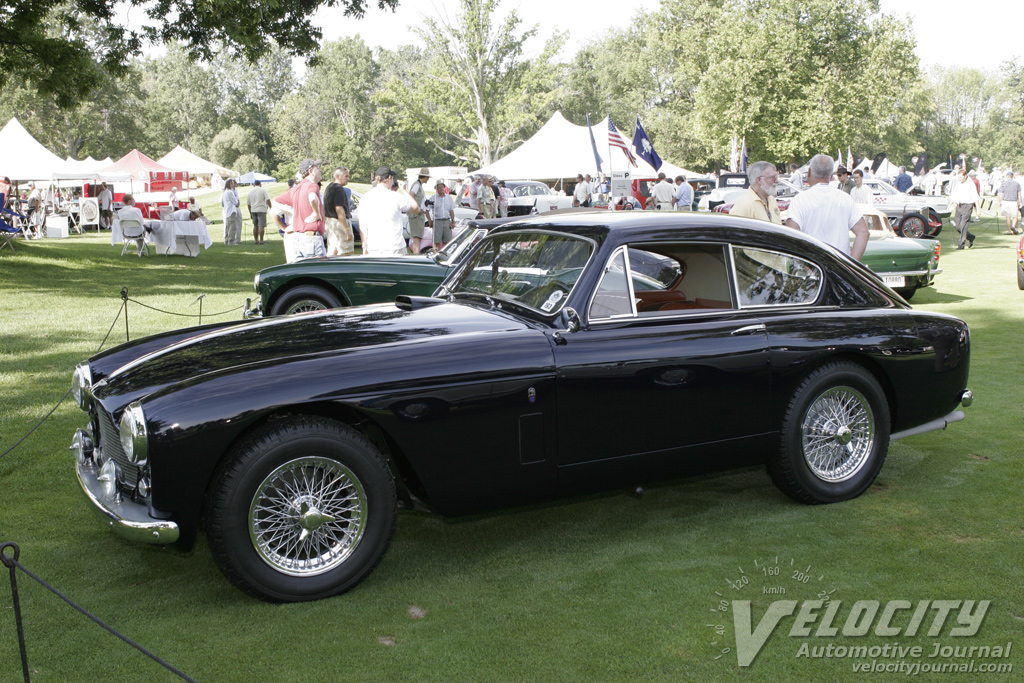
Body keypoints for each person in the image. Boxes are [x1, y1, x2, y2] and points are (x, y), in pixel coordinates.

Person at [785, 154, 869, 260]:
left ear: (810, 172)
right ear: (831, 175)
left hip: (812, 268)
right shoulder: (845, 199)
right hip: (839, 269)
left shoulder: (799, 200)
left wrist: (808, 268)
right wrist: (851, 266)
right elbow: (863, 232)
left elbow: (792, 238)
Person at [359, 166, 423, 256]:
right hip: (395, 246)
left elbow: (362, 225)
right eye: (392, 178)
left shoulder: (365, 198)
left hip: (374, 247)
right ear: (389, 178)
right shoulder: (396, 196)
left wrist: (364, 245)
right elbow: (416, 209)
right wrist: (404, 190)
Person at [275, 159, 326, 260]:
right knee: (316, 272)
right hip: (311, 240)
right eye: (317, 168)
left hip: (298, 239)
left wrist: (292, 211)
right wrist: (316, 213)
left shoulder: (296, 188)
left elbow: (275, 202)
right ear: (310, 171)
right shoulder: (312, 185)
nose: (320, 170)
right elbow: (312, 197)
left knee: (303, 272)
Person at [322, 167, 353, 256]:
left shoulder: (329, 187)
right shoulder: (338, 189)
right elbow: (339, 210)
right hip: (339, 224)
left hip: (330, 223)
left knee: (333, 252)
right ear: (338, 176)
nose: (348, 178)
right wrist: (346, 230)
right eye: (346, 176)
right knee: (345, 252)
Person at [948, 167, 979, 249]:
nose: (959, 178)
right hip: (959, 206)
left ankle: (961, 244)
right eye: (959, 177)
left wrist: (978, 210)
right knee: (958, 226)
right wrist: (951, 203)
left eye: (961, 177)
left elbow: (976, 197)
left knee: (963, 225)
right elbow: (955, 195)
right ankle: (970, 237)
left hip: (968, 205)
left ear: (965, 176)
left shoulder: (970, 184)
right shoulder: (958, 184)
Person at [428, 179, 456, 250]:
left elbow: (451, 210)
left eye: (442, 187)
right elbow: (427, 210)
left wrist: (453, 221)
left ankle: (445, 255)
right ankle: (435, 255)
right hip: (437, 221)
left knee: (447, 241)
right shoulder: (433, 198)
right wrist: (430, 221)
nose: (441, 189)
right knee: (436, 241)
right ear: (436, 189)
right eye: (439, 187)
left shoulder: (449, 198)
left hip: (447, 221)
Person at [407, 168, 430, 254]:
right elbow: (410, 195)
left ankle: (416, 253)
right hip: (416, 215)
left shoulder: (419, 185)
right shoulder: (416, 185)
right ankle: (416, 254)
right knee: (417, 237)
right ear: (425, 177)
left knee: (418, 237)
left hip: (419, 215)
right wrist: (417, 208)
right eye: (428, 177)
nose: (428, 179)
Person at [245, 180, 270, 245]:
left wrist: (250, 212)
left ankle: (256, 240)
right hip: (261, 209)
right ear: (260, 184)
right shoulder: (263, 190)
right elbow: (267, 200)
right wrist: (271, 207)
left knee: (255, 226)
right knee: (261, 226)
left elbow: (248, 203)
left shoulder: (250, 192)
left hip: (253, 210)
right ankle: (261, 240)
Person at [220, 179, 242, 245]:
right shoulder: (230, 192)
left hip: (227, 210)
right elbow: (235, 201)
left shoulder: (225, 192)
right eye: (232, 183)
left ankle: (227, 240)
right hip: (231, 210)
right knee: (233, 227)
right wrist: (237, 201)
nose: (233, 185)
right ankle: (231, 241)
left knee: (228, 226)